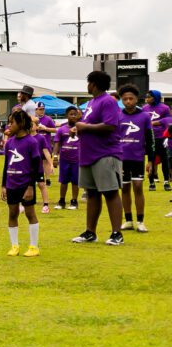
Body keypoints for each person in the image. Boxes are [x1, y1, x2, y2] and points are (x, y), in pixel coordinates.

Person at [72, 71, 125, 245]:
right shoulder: (92, 103)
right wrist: (80, 128)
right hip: (88, 154)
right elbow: (90, 124)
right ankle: (90, 232)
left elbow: (110, 126)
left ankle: (117, 233)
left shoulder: (108, 101)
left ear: (93, 84)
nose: (87, 86)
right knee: (92, 193)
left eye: (88, 83)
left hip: (105, 154)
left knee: (110, 192)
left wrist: (85, 127)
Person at [2, 109, 41, 257]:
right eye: (9, 123)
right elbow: (6, 165)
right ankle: (14, 246)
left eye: (12, 123)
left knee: (30, 213)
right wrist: (3, 185)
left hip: (26, 184)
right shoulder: (10, 142)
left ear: (22, 123)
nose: (9, 125)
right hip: (11, 184)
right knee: (12, 213)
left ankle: (34, 247)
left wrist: (31, 186)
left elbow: (36, 166)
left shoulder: (31, 142)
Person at [118, 84, 153, 233]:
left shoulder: (145, 116)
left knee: (138, 187)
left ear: (136, 99)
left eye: (130, 98)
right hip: (121, 158)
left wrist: (150, 161)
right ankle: (128, 220)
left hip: (138, 158)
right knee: (125, 188)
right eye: (125, 99)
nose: (128, 101)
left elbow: (150, 139)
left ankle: (140, 221)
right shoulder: (118, 115)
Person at [142, 90, 171, 191]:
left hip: (162, 138)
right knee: (151, 160)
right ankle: (151, 183)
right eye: (146, 97)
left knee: (165, 160)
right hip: (150, 138)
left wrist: (156, 123)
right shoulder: (144, 108)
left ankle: (166, 182)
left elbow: (169, 121)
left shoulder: (165, 108)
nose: (147, 99)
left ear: (155, 97)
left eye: (149, 97)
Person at [53, 106, 81, 210]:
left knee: (75, 181)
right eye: (71, 114)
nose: (73, 116)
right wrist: (55, 156)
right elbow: (57, 143)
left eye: (75, 114)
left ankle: (74, 201)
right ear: (66, 116)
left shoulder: (81, 129)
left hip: (77, 159)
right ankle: (61, 201)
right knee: (63, 181)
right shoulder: (61, 129)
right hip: (64, 159)